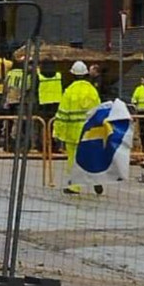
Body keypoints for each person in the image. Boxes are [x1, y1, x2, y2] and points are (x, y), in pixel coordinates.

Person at [53, 61, 102, 195]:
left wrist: (58, 131)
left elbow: (62, 114)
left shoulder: (69, 91)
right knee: (90, 155)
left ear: (73, 75)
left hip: (73, 132)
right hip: (89, 131)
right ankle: (97, 179)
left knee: (74, 159)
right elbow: (98, 111)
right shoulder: (92, 90)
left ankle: (75, 186)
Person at [36, 62, 64, 151]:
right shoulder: (59, 75)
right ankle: (55, 145)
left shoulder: (39, 76)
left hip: (43, 104)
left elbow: (35, 90)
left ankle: (43, 145)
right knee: (55, 126)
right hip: (56, 103)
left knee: (43, 126)